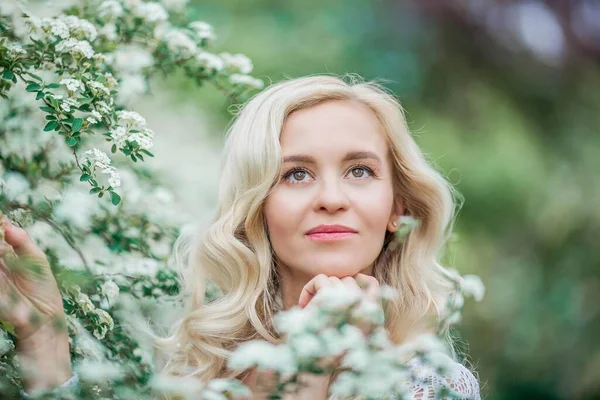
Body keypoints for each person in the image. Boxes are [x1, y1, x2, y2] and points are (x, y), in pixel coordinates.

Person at [0, 74, 481, 399]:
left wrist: (316, 374)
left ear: (397, 206)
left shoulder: (430, 383)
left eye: (359, 171)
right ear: (256, 207)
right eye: (295, 175)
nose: (331, 198)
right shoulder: (199, 367)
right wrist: (46, 349)